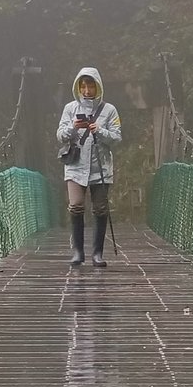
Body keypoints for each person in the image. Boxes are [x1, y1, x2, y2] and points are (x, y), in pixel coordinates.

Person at [56, 67, 122, 267]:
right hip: (75, 167)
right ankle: (78, 252)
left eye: (90, 85)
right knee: (76, 206)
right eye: (83, 86)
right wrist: (73, 128)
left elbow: (117, 138)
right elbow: (60, 136)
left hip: (100, 167)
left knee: (100, 209)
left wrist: (100, 131)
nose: (86, 90)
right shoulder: (70, 109)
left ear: (98, 86)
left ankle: (97, 254)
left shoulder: (109, 110)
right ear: (78, 87)